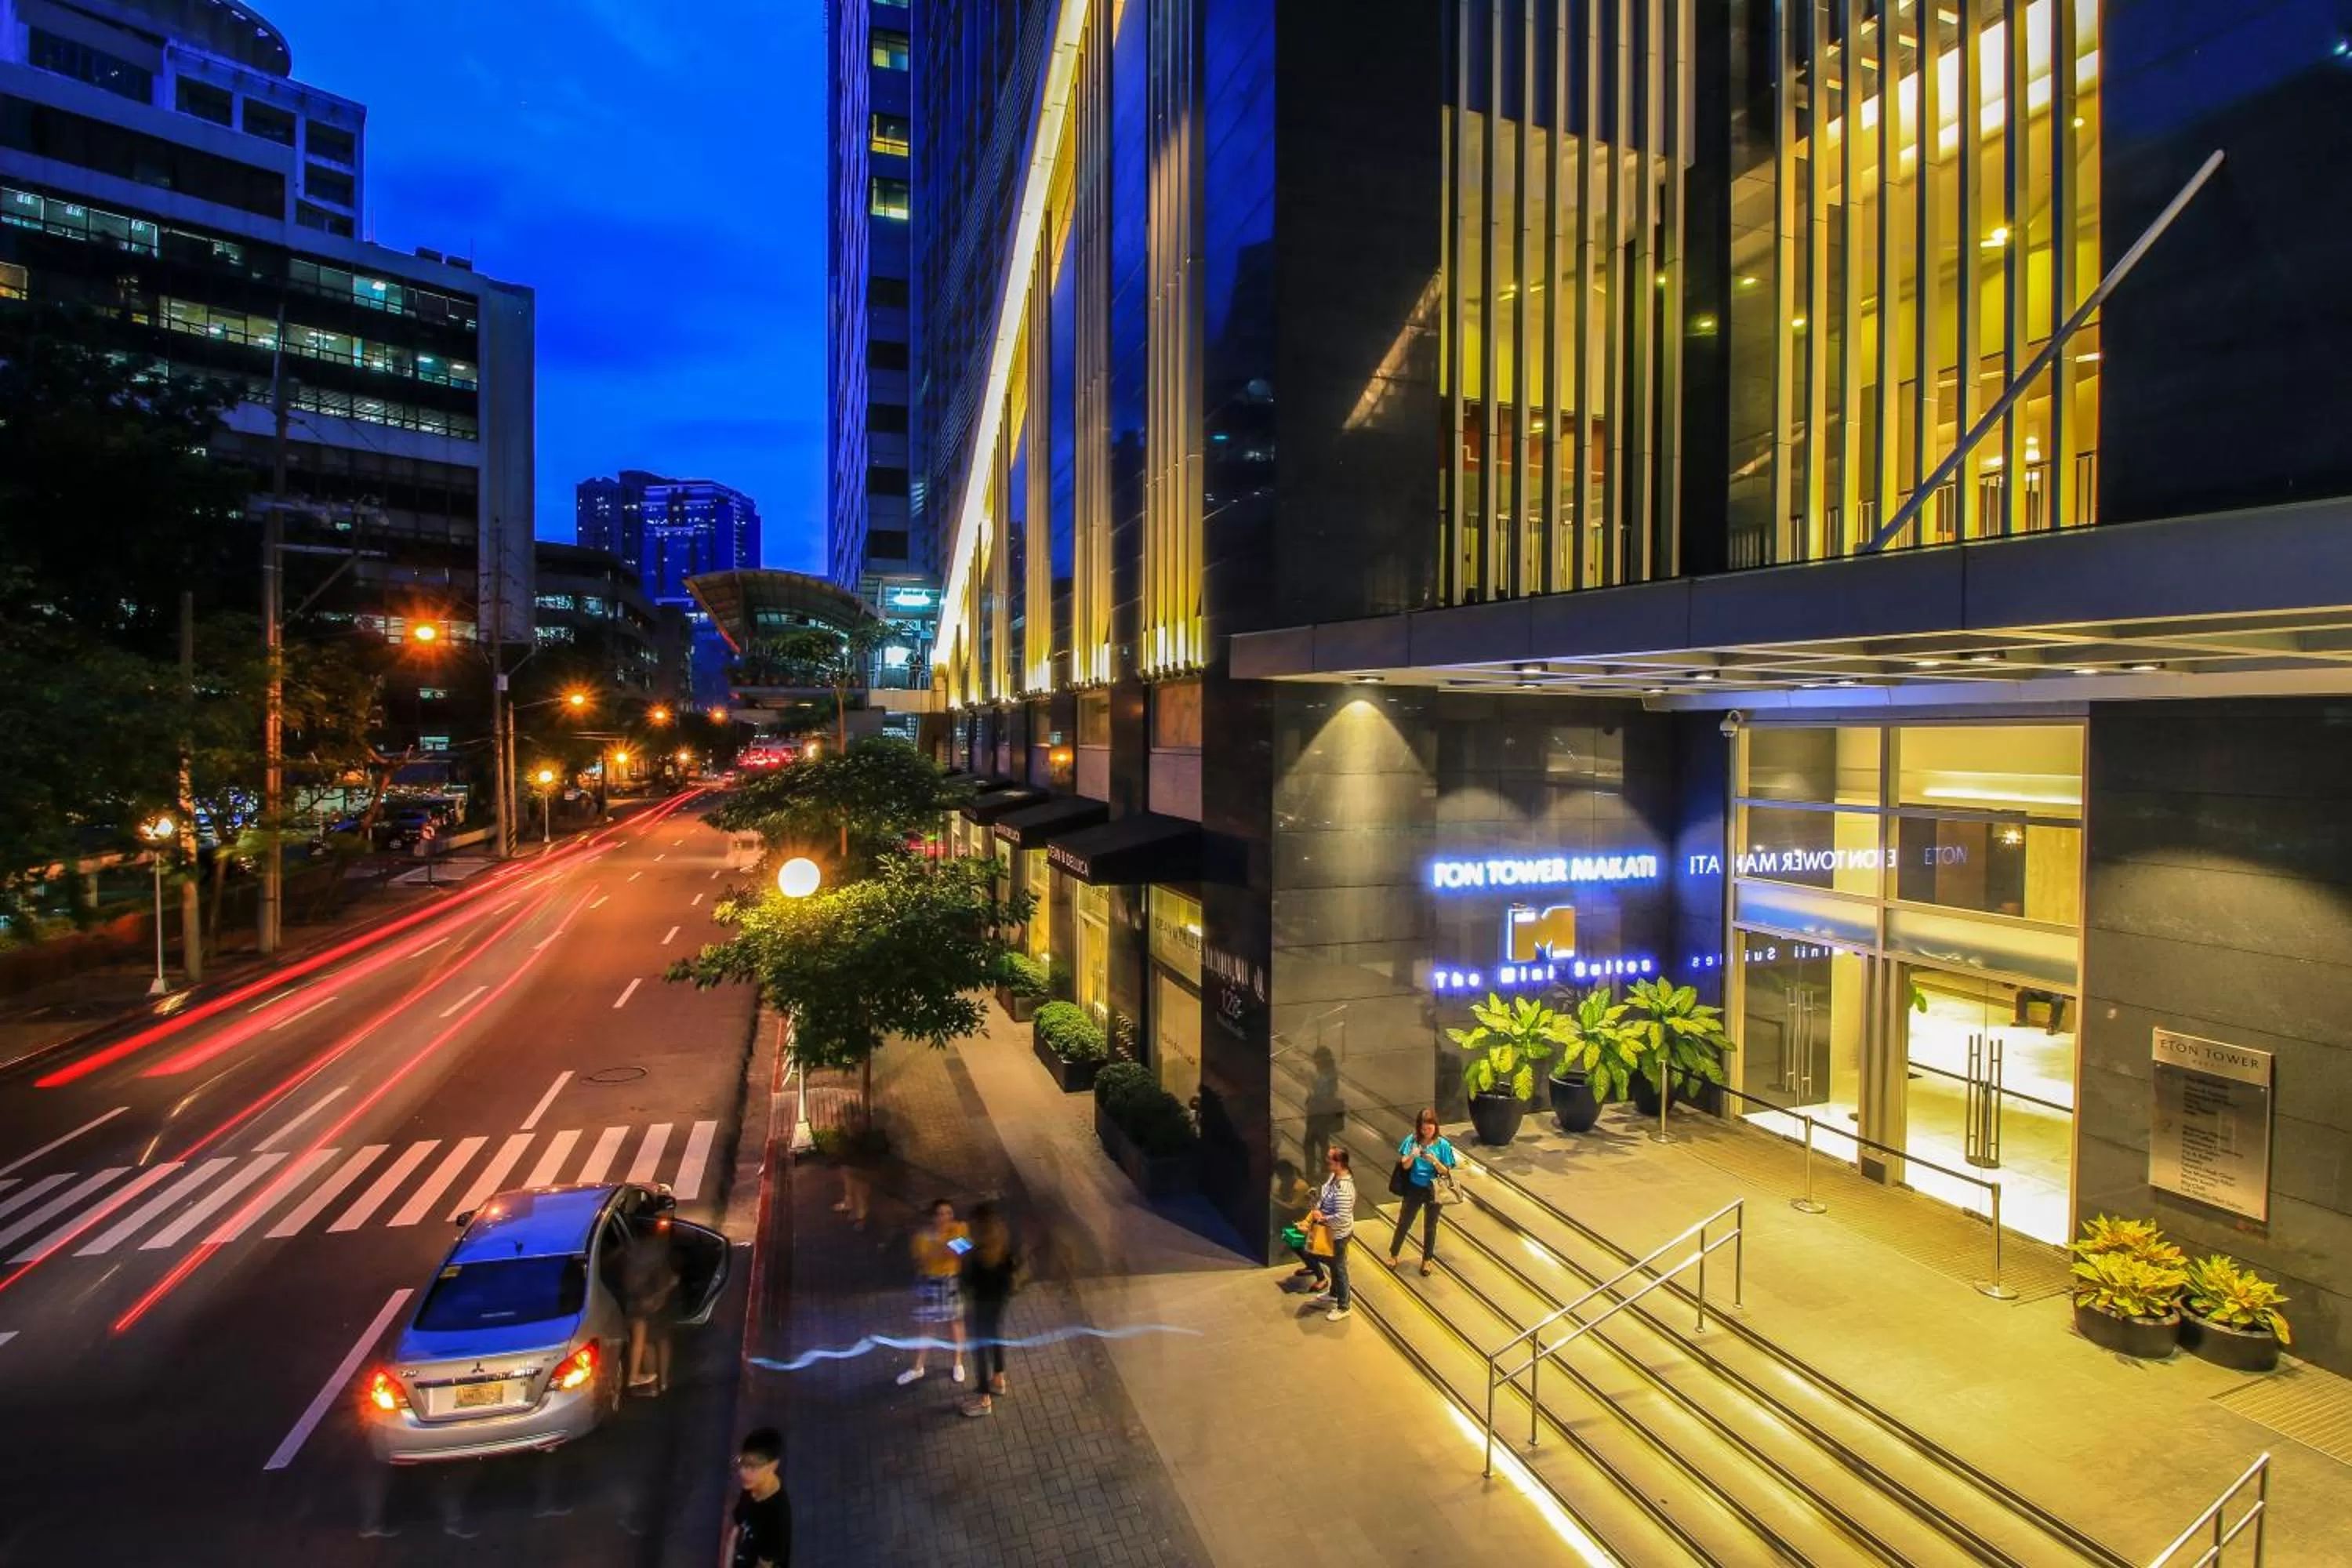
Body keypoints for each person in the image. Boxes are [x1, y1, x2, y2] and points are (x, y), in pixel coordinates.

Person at [896, 1198, 969, 1386]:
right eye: (940, 1214)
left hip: (950, 1280)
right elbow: (923, 1258)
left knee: (955, 1324)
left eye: (949, 1213)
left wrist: (941, 1246)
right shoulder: (922, 1237)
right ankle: (918, 1367)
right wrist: (945, 1246)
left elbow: (961, 1250)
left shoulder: (959, 1228)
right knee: (927, 1327)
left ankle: (958, 1363)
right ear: (933, 1217)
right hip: (930, 1282)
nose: (945, 1217)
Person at [960, 1203, 1018, 1417]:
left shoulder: (975, 1256)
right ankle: (999, 1379)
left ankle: (984, 1399)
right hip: (999, 1304)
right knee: (995, 1337)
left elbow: (966, 1283)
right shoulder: (1003, 1244)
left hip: (980, 1307)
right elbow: (1012, 1268)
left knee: (979, 1351)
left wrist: (958, 1249)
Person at [1388, 1107, 1459, 1278]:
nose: (1427, 1131)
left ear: (1436, 1126)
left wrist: (1435, 1161)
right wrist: (1412, 1155)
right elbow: (1404, 1165)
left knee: (1430, 1225)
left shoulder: (1443, 1145)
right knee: (1404, 1221)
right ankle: (1394, 1254)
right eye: (1423, 1128)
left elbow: (1446, 1171)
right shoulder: (1412, 1140)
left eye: (1430, 1128)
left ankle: (1427, 1259)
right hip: (1414, 1187)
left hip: (1434, 1188)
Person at [1286, 1147, 1356, 1322]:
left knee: (1339, 1268)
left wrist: (1323, 1217)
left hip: (1337, 1234)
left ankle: (1344, 1305)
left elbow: (1341, 1217)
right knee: (1332, 1264)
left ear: (1339, 1163)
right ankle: (1334, 1293)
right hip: (1327, 1231)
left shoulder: (1344, 1188)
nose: (1326, 1162)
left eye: (1330, 1160)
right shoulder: (1334, 1177)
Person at [623, 1218, 680, 1394]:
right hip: (648, 1304)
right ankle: (655, 1381)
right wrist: (662, 1294)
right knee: (657, 1340)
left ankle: (652, 1385)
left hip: (636, 1304)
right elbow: (667, 1280)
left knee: (646, 1343)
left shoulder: (628, 1253)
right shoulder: (657, 1253)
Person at [726, 1428, 791, 1568]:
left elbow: (764, 1565)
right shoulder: (752, 1485)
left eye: (752, 1467)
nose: (743, 1472)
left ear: (773, 1466)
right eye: (742, 1462)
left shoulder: (776, 1516)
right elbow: (736, 1529)